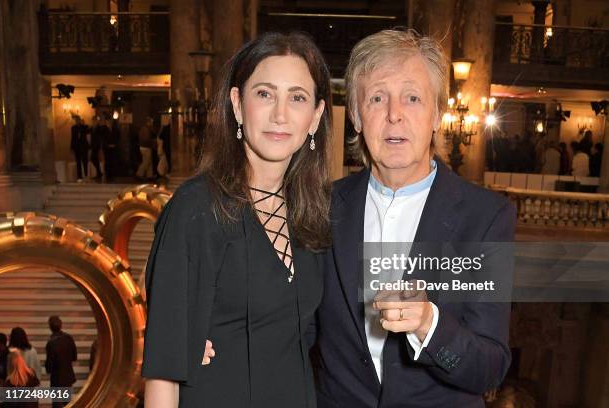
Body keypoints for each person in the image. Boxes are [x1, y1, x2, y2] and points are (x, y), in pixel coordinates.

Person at [311, 29, 515, 408]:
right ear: (355, 115)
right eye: (376, 98)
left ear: (438, 114)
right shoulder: (322, 206)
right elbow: (294, 326)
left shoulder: (487, 218)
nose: (394, 115)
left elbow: (489, 368)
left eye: (413, 97)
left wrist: (428, 325)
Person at [142, 32, 332, 408]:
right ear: (237, 104)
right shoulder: (195, 208)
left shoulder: (312, 211)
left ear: (316, 116)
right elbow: (164, 368)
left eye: (297, 97)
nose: (280, 114)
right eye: (264, 94)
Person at [45, 316, 77, 408]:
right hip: (68, 377)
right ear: (61, 325)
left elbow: (49, 366)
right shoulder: (69, 338)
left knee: (57, 404)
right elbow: (74, 357)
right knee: (67, 403)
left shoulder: (51, 343)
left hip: (57, 379)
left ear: (50, 327)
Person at [70, 115, 89, 182]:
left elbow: (87, 132)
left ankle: (86, 175)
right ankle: (79, 176)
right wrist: (72, 147)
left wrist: (83, 124)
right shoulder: (73, 128)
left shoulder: (84, 127)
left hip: (84, 147)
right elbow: (72, 138)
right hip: (77, 147)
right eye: (76, 120)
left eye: (78, 120)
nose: (77, 121)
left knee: (85, 161)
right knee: (78, 162)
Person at [89, 116, 105, 180]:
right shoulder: (92, 128)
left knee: (93, 158)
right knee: (94, 159)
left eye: (95, 120)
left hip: (97, 145)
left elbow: (100, 136)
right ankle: (99, 172)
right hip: (93, 145)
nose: (94, 122)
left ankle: (99, 172)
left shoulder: (99, 128)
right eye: (93, 120)